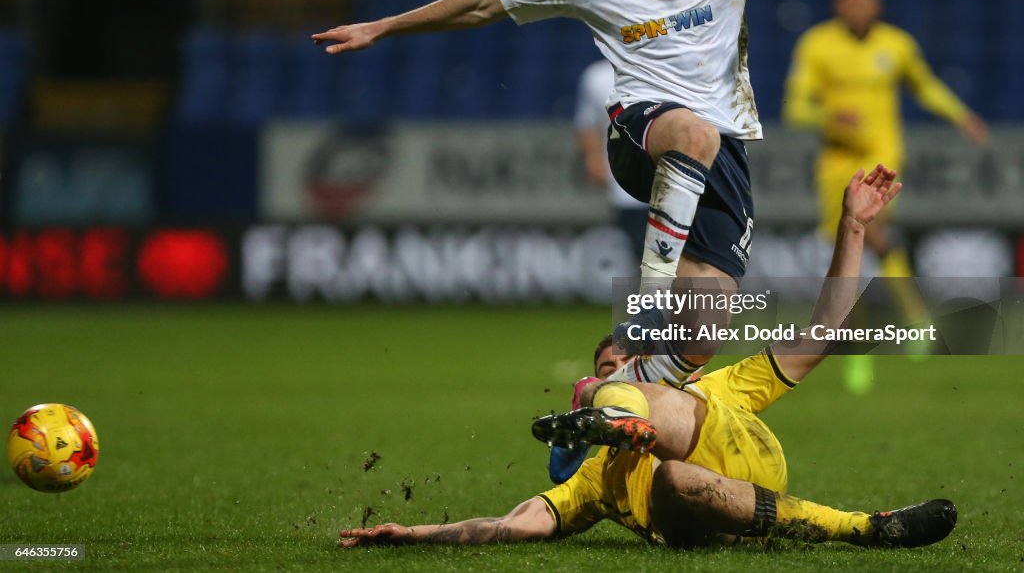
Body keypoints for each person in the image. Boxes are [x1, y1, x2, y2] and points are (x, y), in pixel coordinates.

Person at [314, 0, 976, 300]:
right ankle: (647, 296)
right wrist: (383, 25)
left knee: (705, 322)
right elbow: (483, 4)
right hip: (641, 132)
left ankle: (627, 386)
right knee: (691, 133)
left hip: (721, 148)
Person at [339, 166, 958, 550]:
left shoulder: (715, 387)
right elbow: (514, 524)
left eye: (630, 365)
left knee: (660, 416)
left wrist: (852, 228)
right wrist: (412, 535)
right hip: (705, 510)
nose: (623, 369)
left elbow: (823, 331)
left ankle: (617, 420)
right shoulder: (595, 483)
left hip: (748, 459)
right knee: (670, 479)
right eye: (611, 371)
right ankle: (868, 530)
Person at [783, 0, 988, 392]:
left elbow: (925, 86)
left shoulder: (897, 45)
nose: (857, 7)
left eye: (865, 0)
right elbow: (795, 107)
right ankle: (872, 338)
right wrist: (831, 118)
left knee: (869, 232)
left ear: (878, 6)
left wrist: (961, 116)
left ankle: (910, 324)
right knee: (845, 254)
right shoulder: (817, 44)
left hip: (882, 159)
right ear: (838, 4)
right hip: (835, 164)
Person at [575, 58, 648, 265]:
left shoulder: (668, 66)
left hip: (675, 182)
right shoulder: (596, 76)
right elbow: (586, 123)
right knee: (643, 255)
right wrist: (593, 159)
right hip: (626, 185)